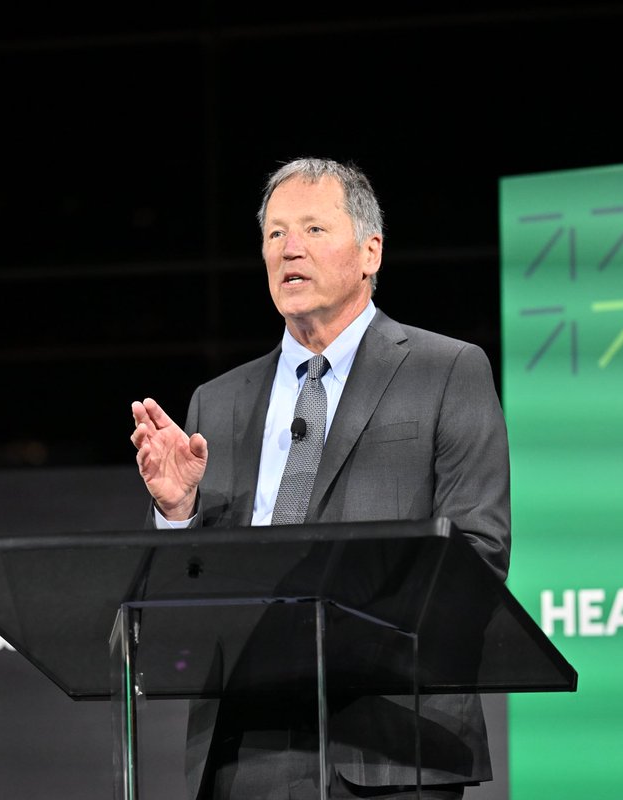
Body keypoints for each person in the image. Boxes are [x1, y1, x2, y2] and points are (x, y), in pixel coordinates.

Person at [131, 157, 511, 800]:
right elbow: (182, 595)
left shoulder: (446, 370)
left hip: (390, 744)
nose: (290, 249)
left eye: (312, 228)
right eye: (275, 234)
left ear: (371, 252)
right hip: (243, 749)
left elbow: (478, 553)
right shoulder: (214, 405)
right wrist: (178, 514)